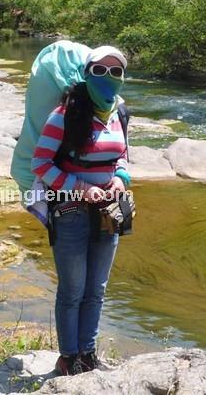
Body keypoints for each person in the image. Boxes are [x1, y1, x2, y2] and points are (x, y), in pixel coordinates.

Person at [30, 46, 131, 376]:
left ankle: (88, 354)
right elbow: (41, 163)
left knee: (97, 290)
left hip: (110, 209)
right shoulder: (64, 113)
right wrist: (82, 187)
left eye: (115, 72)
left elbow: (123, 158)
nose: (107, 78)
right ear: (87, 74)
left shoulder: (120, 113)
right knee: (73, 290)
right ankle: (68, 357)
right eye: (100, 71)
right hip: (70, 210)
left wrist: (119, 178)